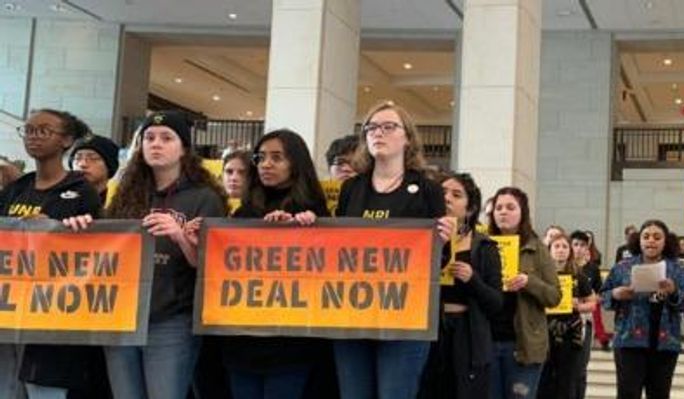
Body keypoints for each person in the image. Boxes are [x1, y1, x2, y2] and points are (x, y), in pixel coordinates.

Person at [65, 110, 228, 399]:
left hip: (172, 319)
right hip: (123, 313)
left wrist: (179, 236)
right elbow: (107, 249)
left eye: (167, 138)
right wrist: (83, 227)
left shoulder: (204, 197)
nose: (156, 144)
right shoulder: (126, 192)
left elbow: (210, 268)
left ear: (184, 149)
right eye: (149, 138)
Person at [332, 101, 455, 399]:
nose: (379, 133)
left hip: (405, 316)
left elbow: (439, 260)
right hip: (353, 312)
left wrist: (445, 239)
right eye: (372, 127)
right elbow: (336, 247)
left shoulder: (428, 190)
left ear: (407, 138)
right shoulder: (351, 189)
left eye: (389, 127)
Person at [213, 129, 329, 399]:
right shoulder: (244, 211)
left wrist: (305, 229)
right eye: (261, 157)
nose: (266, 164)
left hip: (291, 343)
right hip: (241, 339)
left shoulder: (313, 211)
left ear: (295, 163)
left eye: (277, 158)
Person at [3, 109, 105, 399]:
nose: (34, 137)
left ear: (66, 140)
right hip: (10, 310)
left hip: (52, 313)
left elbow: (94, 251)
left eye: (44, 131)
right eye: (30, 130)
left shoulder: (81, 191)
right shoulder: (16, 189)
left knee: (44, 390)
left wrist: (54, 230)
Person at [418, 172, 504, 399]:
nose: (447, 198)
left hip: (468, 337)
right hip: (429, 333)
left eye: (456, 195)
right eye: (442, 193)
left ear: (470, 208)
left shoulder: (485, 247)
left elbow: (496, 303)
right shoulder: (420, 239)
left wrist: (472, 279)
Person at [601, 220, 684, 399]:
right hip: (628, 341)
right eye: (646, 237)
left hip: (666, 343)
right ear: (638, 240)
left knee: (659, 394)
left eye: (657, 237)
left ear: (666, 241)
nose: (651, 241)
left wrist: (674, 291)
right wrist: (615, 294)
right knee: (627, 393)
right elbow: (603, 296)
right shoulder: (623, 267)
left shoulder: (678, 269)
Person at [487, 187, 561, 399]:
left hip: (524, 345)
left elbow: (555, 296)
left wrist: (529, 282)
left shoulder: (537, 248)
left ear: (523, 213)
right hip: (487, 341)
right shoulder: (482, 244)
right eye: (498, 207)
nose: (503, 212)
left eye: (510, 207)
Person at [537, 234, 597, 399]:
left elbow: (592, 303)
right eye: (556, 246)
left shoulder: (578, 275)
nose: (561, 250)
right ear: (549, 250)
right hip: (545, 332)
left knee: (568, 381)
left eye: (564, 247)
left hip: (571, 334)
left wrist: (579, 305)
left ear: (570, 251)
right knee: (544, 380)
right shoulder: (541, 276)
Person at [569, 230, 601, 399]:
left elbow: (599, 295)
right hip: (561, 320)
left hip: (584, 320)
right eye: (575, 244)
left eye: (582, 245)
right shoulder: (562, 266)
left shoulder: (592, 269)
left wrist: (585, 300)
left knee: (581, 366)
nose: (578, 248)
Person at [70, 133, 120, 202]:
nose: (82, 164)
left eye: (93, 158)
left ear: (109, 166)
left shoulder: (121, 201)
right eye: (77, 158)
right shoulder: (60, 199)